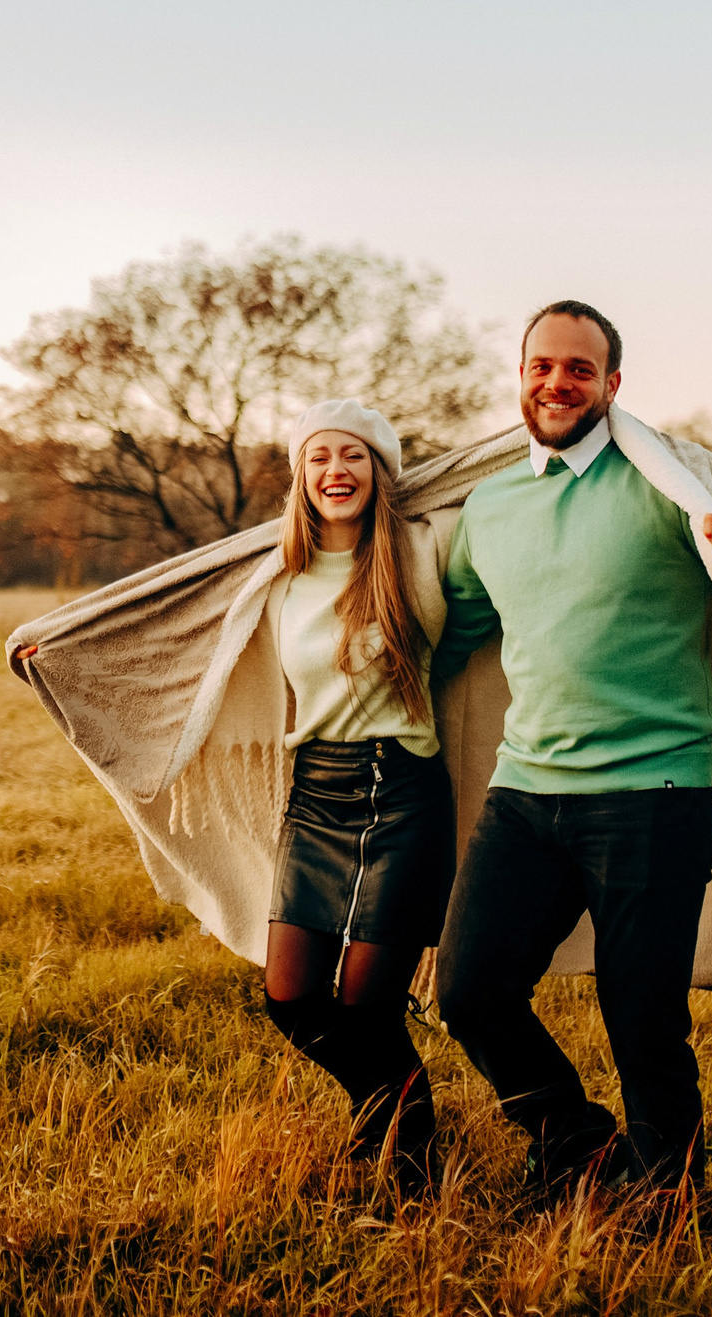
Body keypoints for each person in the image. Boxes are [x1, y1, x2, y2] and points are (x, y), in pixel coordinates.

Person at [431, 300, 712, 1201]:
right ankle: (574, 1140)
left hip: (654, 794)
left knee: (643, 1019)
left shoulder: (674, 485)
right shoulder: (490, 506)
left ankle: (668, 1198)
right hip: (526, 794)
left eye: (579, 369)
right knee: (469, 990)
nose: (557, 382)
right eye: (542, 365)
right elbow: (451, 632)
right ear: (521, 376)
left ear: (612, 385)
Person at [259, 399, 454, 1199]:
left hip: (403, 795)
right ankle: (387, 1106)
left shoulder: (422, 555)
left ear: (381, 473)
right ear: (301, 476)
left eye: (356, 456)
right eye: (319, 457)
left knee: (367, 1007)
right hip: (314, 797)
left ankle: (410, 1164)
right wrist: (57, 646)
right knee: (290, 998)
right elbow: (173, 621)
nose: (336, 470)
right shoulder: (275, 577)